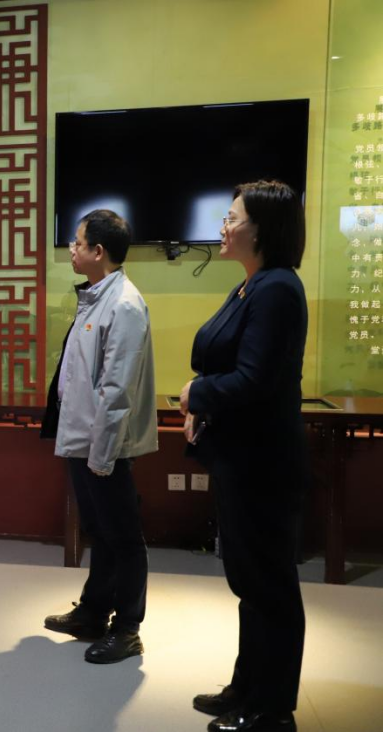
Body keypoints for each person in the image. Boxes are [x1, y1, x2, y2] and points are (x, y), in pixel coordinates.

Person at [180, 181, 307, 733]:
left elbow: (255, 379)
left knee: (269, 586)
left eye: (233, 217)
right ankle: (247, 686)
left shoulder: (277, 289)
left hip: (264, 462)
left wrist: (197, 394)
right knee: (249, 581)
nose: (223, 226)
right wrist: (202, 399)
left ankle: (272, 709)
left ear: (262, 229)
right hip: (240, 457)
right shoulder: (249, 286)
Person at [40, 209, 158, 664]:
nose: (71, 249)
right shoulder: (95, 297)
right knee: (101, 532)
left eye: (77, 242)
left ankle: (127, 628)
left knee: (123, 536)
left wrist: (103, 455)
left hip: (103, 444)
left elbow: (116, 389)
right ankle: (93, 612)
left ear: (98, 251)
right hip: (84, 438)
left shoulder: (124, 304)